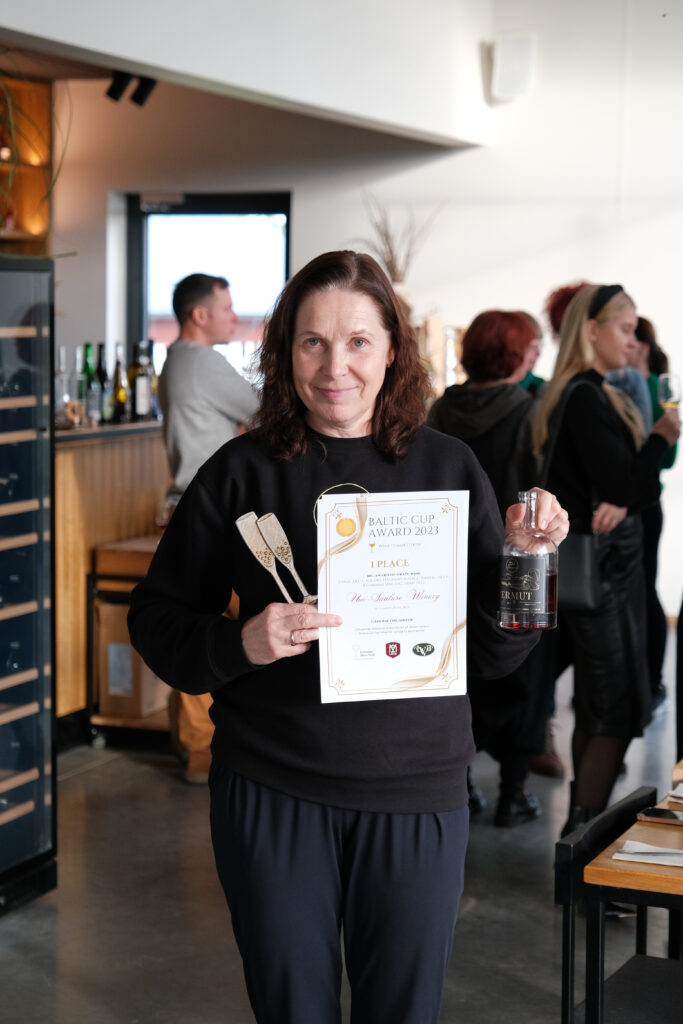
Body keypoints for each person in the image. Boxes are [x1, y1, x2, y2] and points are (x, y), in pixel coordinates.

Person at [128, 250, 568, 1024]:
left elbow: (495, 654)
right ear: (285, 352)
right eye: (313, 342)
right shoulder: (241, 473)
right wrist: (241, 644)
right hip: (271, 786)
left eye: (358, 341)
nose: (335, 367)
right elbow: (156, 621)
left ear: (392, 350)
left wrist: (527, 563)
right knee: (291, 1009)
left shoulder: (447, 468)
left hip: (416, 791)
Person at [533, 283, 680, 836]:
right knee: (613, 708)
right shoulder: (586, 396)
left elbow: (620, 486)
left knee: (601, 706)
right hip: (604, 576)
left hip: (602, 573)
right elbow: (625, 482)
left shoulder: (586, 392)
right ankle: (583, 841)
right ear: (591, 330)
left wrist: (625, 490)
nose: (633, 340)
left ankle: (580, 835)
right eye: (625, 328)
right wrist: (660, 437)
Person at [428, 310, 556, 826]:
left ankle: (461, 785)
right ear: (517, 356)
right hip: (512, 561)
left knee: (459, 675)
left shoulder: (440, 408)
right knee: (523, 676)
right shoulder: (529, 411)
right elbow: (541, 489)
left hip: (446, 564)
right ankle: (512, 793)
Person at [158, 272, 259, 784]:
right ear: (200, 315)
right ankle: (203, 750)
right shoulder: (202, 361)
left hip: (185, 505)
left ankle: (192, 744)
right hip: (212, 513)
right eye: (226, 309)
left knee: (192, 621)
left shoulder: (175, 360)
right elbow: (265, 412)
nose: (234, 318)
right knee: (214, 626)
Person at [631, 315, 677, 709]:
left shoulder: (652, 388)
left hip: (643, 505)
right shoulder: (617, 386)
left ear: (642, 346)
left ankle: (653, 682)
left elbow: (668, 457)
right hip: (629, 503)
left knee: (645, 591)